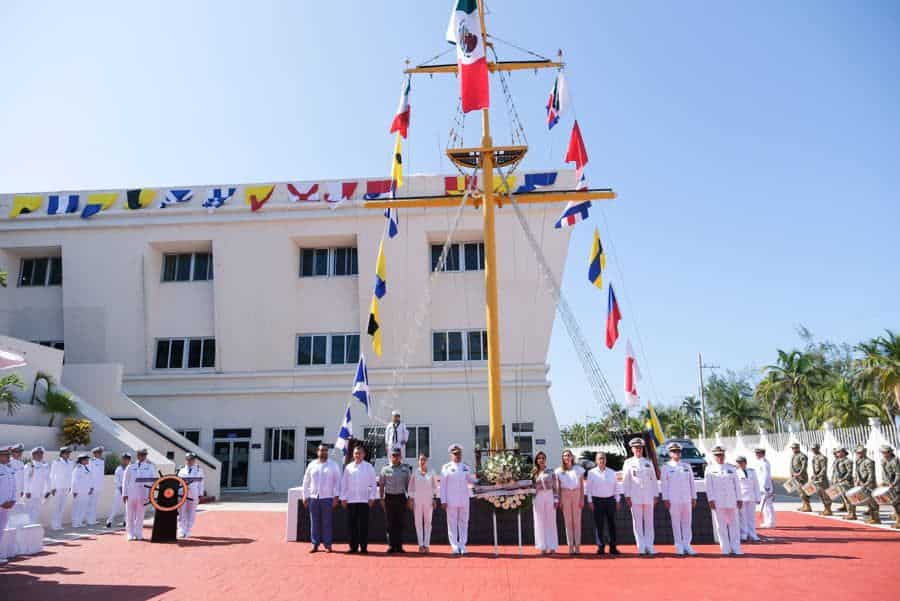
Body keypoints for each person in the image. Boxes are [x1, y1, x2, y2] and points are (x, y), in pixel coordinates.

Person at [302, 444, 342, 553]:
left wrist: (336, 497)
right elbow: (306, 481)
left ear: (327, 452)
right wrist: (305, 496)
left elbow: (337, 482)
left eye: (324, 450)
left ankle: (328, 545)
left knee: (327, 522)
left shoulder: (333, 465)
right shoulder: (312, 465)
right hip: (314, 498)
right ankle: (315, 544)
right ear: (317, 452)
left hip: (327, 498)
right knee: (314, 522)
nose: (322, 452)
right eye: (320, 450)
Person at [622, 438, 658, 556]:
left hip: (648, 496)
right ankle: (641, 546)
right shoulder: (628, 463)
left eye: (640, 448)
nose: (638, 449)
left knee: (649, 522)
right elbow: (626, 481)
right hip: (635, 496)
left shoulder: (648, 462)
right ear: (632, 449)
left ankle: (649, 545)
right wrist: (627, 495)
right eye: (636, 448)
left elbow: (653, 480)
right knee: (637, 523)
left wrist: (655, 494)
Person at [660, 442, 697, 556]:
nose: (676, 453)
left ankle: (687, 545)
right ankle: (679, 546)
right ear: (670, 453)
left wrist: (693, 497)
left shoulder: (686, 466)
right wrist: (665, 498)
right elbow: (664, 484)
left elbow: (692, 483)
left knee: (687, 522)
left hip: (686, 498)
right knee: (676, 523)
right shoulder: (666, 467)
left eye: (678, 451)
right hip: (673, 499)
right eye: (674, 451)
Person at [705, 445, 743, 556]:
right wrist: (710, 499)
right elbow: (708, 486)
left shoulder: (731, 468)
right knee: (721, 525)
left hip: (731, 500)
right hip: (718, 501)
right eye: (717, 455)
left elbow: (737, 485)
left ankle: (736, 548)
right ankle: (725, 548)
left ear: (724, 455)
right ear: (714, 456)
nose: (720, 457)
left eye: (721, 455)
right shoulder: (709, 469)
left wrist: (739, 498)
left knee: (734, 525)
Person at [340, 445, 378, 554]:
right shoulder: (348, 467)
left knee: (363, 525)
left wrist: (372, 498)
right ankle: (353, 547)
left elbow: (373, 484)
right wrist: (343, 498)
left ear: (364, 455)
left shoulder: (369, 467)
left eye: (360, 453)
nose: (357, 455)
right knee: (352, 525)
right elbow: (344, 484)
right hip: (351, 500)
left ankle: (364, 547)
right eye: (356, 453)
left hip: (364, 500)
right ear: (353, 454)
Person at [440, 443, 477, 555]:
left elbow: (470, 480)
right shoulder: (446, 468)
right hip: (451, 500)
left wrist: (482, 481)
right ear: (451, 455)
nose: (457, 456)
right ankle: (455, 546)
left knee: (464, 522)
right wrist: (443, 500)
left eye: (459, 454)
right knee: (452, 524)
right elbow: (443, 486)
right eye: (455, 454)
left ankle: (462, 545)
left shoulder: (466, 467)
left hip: (464, 500)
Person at [586, 451, 619, 555]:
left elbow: (616, 488)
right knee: (599, 525)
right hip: (597, 501)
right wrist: (590, 501)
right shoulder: (591, 473)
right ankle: (600, 547)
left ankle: (613, 547)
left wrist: (617, 500)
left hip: (610, 500)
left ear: (606, 460)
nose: (602, 460)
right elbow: (589, 489)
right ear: (596, 461)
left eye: (603, 458)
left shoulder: (612, 472)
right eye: (599, 458)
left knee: (612, 525)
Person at [380, 446, 412, 553]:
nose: (395, 457)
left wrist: (409, 499)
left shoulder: (405, 469)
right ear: (390, 456)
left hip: (401, 497)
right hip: (389, 497)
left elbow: (409, 486)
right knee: (390, 523)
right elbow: (382, 485)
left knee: (400, 522)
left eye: (397, 455)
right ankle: (391, 545)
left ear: (401, 456)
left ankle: (399, 546)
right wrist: (381, 498)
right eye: (393, 455)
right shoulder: (385, 469)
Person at [407, 453, 439, 552]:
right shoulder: (415, 473)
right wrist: (411, 499)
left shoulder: (432, 472)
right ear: (418, 461)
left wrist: (434, 499)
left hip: (428, 500)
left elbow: (435, 487)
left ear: (427, 461)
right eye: (420, 460)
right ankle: (420, 545)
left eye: (424, 459)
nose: (422, 461)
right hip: (417, 501)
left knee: (428, 522)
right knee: (418, 522)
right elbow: (411, 487)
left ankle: (427, 544)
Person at [555, 449, 585, 554]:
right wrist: (559, 500)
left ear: (572, 457)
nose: (566, 457)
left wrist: (582, 499)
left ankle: (577, 546)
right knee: (568, 522)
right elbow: (558, 487)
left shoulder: (579, 469)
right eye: (564, 456)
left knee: (577, 521)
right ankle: (570, 546)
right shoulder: (559, 471)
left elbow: (582, 486)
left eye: (568, 455)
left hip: (576, 494)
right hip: (565, 495)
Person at [122, 448, 155, 541]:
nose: (142, 456)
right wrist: (124, 494)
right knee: (130, 515)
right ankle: (130, 533)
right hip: (131, 493)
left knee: (140, 515)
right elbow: (125, 480)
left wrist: (150, 495)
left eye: (144, 455)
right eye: (141, 454)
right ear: (137, 455)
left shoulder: (150, 467)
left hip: (143, 493)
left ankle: (138, 533)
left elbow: (153, 482)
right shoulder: (131, 466)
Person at [531, 451, 558, 554]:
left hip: (549, 495)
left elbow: (555, 486)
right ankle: (542, 546)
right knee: (539, 521)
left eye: (543, 458)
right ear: (536, 460)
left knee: (551, 521)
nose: (541, 460)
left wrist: (556, 499)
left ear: (545, 459)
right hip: (538, 497)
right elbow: (531, 486)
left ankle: (552, 546)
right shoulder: (533, 473)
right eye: (539, 458)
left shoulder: (551, 471)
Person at [177, 452, 205, 539]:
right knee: (182, 512)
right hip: (183, 493)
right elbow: (178, 482)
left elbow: (201, 483)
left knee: (191, 513)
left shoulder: (199, 470)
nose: (190, 461)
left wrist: (200, 494)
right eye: (188, 459)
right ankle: (182, 530)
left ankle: (188, 530)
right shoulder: (181, 469)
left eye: (192, 459)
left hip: (194, 493)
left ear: (194, 460)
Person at [735, 456, 761, 542]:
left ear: (745, 463)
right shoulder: (735, 472)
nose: (740, 464)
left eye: (742, 462)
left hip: (751, 497)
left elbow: (756, 485)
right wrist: (737, 498)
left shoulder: (752, 472)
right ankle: (743, 534)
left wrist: (758, 497)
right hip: (741, 497)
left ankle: (753, 534)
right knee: (742, 517)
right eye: (738, 463)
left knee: (751, 517)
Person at [23, 446, 51, 524]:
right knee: (28, 511)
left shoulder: (45, 466)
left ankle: (33, 526)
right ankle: (27, 528)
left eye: (41, 454)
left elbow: (47, 479)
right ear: (33, 455)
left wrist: (48, 490)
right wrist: (27, 491)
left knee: (37, 510)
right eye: (37, 454)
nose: (40, 455)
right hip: (30, 493)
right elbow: (25, 479)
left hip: (40, 492)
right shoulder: (29, 466)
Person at [0, 446, 18, 565]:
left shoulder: (9, 469)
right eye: (6, 455)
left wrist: (13, 500)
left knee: (1, 531)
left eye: (8, 455)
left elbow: (13, 487)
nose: (8, 457)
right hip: (1, 504)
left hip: (6, 505)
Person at [49, 446, 73, 530]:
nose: (68, 455)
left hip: (66, 486)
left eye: (68, 453)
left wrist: (70, 486)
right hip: (58, 487)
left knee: (62, 507)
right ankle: (54, 524)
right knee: (56, 506)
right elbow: (52, 475)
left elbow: (70, 475)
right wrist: (53, 487)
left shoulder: (70, 462)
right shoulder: (56, 462)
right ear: (62, 454)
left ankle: (59, 524)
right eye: (66, 453)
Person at [854, 445, 879, 524]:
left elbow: (871, 474)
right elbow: (857, 472)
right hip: (862, 483)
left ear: (864, 452)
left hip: (869, 484)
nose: (859, 454)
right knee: (868, 501)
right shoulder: (858, 461)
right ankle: (872, 517)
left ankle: (876, 518)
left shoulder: (869, 461)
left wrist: (866, 484)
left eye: (860, 452)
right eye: (857, 452)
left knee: (873, 502)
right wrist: (857, 480)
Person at [106, 452, 131, 528]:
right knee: (115, 506)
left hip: (129, 490)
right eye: (124, 459)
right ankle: (109, 521)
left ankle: (126, 521)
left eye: (127, 459)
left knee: (128, 507)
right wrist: (121, 489)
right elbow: (116, 480)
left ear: (129, 460)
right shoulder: (118, 468)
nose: (125, 460)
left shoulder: (131, 468)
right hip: (119, 490)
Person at [70, 453, 94, 528]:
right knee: (77, 507)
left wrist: (91, 488)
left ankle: (79, 521)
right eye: (86, 459)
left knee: (83, 507)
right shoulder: (78, 468)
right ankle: (75, 523)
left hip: (86, 491)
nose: (88, 460)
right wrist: (74, 491)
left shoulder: (87, 468)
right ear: (82, 460)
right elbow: (74, 481)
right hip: (79, 491)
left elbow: (90, 479)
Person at [879, 444, 900, 529]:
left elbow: (898, 474)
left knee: (897, 504)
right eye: (883, 452)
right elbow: (884, 473)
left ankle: (899, 522)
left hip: (897, 485)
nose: (884, 454)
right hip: (889, 485)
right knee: (894, 504)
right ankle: (897, 519)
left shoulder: (895, 461)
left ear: (890, 452)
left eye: (885, 452)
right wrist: (884, 482)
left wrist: (893, 484)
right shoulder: (883, 460)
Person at [754, 447, 775, 528]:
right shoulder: (761, 462)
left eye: (757, 453)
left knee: (768, 505)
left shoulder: (764, 463)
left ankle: (771, 522)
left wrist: (765, 487)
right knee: (765, 505)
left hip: (766, 487)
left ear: (761, 454)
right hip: (763, 487)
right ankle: (767, 521)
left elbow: (766, 476)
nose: (756, 455)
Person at [809, 443, 831, 516]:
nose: (813, 450)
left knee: (825, 494)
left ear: (818, 448)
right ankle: (825, 509)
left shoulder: (822, 458)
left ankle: (828, 510)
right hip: (817, 478)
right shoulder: (815, 457)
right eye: (812, 449)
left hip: (822, 479)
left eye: (814, 449)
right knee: (820, 494)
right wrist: (814, 476)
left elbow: (824, 469)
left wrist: (818, 476)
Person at [833, 447, 855, 519]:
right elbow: (836, 472)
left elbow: (849, 472)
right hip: (840, 482)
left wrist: (843, 479)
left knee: (849, 498)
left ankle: (852, 514)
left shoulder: (848, 461)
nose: (837, 453)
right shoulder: (838, 461)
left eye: (839, 452)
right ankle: (849, 512)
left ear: (843, 452)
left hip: (846, 482)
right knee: (845, 499)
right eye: (837, 452)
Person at [790, 442, 811, 512]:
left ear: (798, 448)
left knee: (803, 492)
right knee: (800, 492)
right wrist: (792, 475)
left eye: (794, 448)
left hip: (801, 477)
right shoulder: (794, 456)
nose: (793, 449)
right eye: (792, 448)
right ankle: (804, 505)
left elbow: (804, 466)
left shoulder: (802, 456)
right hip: (795, 477)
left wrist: (799, 473)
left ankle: (808, 506)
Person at [86, 446, 105, 525]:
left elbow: (101, 474)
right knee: (90, 503)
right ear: (94, 453)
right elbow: (89, 474)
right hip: (92, 486)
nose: (100, 454)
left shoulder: (102, 461)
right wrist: (90, 486)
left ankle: (93, 519)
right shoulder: (91, 461)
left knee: (95, 503)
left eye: (101, 453)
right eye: (98, 453)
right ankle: (89, 520)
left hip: (98, 485)